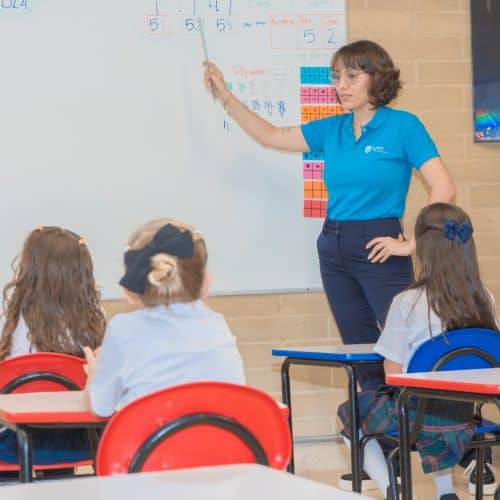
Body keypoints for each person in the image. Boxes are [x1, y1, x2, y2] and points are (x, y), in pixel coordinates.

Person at [204, 39, 456, 488]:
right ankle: (382, 451)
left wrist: (411, 245)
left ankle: (452, 460)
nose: (342, 85)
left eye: (352, 76)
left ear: (377, 78)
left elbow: (444, 188)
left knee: (409, 351)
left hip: (379, 244)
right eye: (337, 77)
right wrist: (224, 94)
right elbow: (271, 136)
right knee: (362, 353)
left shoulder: (403, 126)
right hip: (334, 246)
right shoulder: (333, 129)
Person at [337, 202, 498, 500]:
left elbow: (392, 373)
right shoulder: (484, 298)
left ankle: (392, 489)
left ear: (422, 248)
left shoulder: (407, 302)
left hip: (416, 417)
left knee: (349, 413)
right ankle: (445, 492)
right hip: (466, 416)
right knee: (434, 405)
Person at [84, 219, 245, 417]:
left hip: (147, 437)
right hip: (217, 438)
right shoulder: (218, 326)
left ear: (130, 290)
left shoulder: (123, 329)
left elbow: (100, 408)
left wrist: (94, 375)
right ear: (205, 281)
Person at [0, 226, 106, 468]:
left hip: (13, 443)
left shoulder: (8, 317)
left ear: (29, 268)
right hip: (80, 441)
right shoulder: (95, 319)